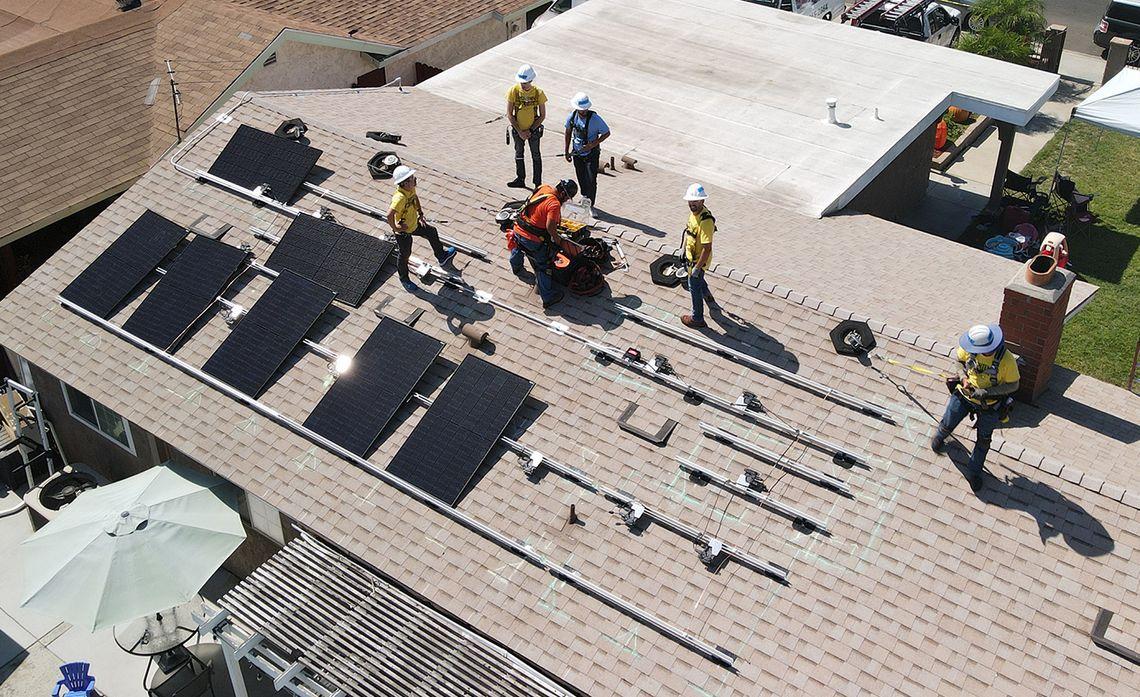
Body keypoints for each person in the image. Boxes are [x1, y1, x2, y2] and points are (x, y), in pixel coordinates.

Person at [931, 324, 1020, 493]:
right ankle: (940, 436)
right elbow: (958, 361)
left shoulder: (1006, 361)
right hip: (963, 397)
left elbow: (1014, 384)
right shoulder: (971, 349)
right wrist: (963, 377)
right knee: (949, 419)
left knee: (984, 440)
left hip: (990, 406)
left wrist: (986, 392)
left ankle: (973, 471)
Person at [510, 178, 579, 309]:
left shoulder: (544, 187)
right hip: (531, 239)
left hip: (518, 228)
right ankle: (547, 297)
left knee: (518, 246)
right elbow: (550, 227)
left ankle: (516, 267)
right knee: (544, 264)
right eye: (567, 198)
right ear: (563, 194)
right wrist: (558, 241)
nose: (565, 201)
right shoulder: (554, 204)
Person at [385, 165, 456, 292]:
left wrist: (420, 213)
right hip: (404, 231)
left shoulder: (410, 189)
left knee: (431, 231)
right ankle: (404, 279)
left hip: (414, 223)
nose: (414, 179)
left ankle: (442, 256)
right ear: (405, 182)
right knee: (405, 254)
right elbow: (389, 215)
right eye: (412, 178)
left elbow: (415, 198)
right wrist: (396, 227)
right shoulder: (399, 198)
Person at [563, 92, 610, 207]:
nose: (583, 112)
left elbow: (606, 133)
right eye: (581, 110)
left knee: (591, 179)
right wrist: (567, 151)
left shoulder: (595, 119)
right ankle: (585, 197)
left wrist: (593, 144)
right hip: (577, 153)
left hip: (591, 154)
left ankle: (590, 204)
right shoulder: (572, 117)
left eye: (585, 109)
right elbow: (568, 132)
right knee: (581, 176)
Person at [506, 64, 547, 189]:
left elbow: (542, 115)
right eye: (521, 82)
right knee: (519, 153)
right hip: (518, 129)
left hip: (533, 131)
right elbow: (509, 113)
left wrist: (530, 130)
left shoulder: (538, 93)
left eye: (525, 82)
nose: (523, 85)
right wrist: (519, 131)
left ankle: (537, 184)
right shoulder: (514, 91)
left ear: (531, 80)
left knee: (536, 155)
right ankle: (520, 178)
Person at [681, 183, 715, 329]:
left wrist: (697, 268)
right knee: (698, 280)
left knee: (693, 286)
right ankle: (707, 294)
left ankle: (697, 318)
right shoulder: (694, 214)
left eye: (695, 201)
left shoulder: (705, 221)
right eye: (690, 201)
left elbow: (707, 248)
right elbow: (690, 234)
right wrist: (683, 250)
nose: (692, 204)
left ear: (702, 201)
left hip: (697, 262)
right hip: (691, 259)